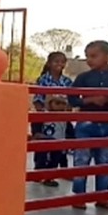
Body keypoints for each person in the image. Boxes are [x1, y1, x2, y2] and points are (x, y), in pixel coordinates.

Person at [67, 40, 108, 211]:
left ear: (107, 57)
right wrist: (90, 99)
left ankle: (102, 197)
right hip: (85, 125)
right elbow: (72, 99)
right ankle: (79, 197)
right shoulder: (83, 78)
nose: (89, 60)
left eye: (94, 56)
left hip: (107, 125)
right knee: (82, 162)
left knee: (105, 163)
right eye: (87, 56)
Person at [31, 52, 74, 184]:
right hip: (45, 117)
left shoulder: (67, 81)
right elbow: (38, 99)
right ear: (49, 63)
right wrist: (43, 115)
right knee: (43, 146)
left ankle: (57, 172)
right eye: (56, 61)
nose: (59, 64)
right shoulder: (43, 79)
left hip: (61, 118)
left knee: (61, 146)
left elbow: (71, 99)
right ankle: (39, 172)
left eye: (62, 62)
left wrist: (66, 110)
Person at [30, 94, 75, 187]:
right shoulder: (43, 115)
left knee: (56, 160)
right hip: (44, 144)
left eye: (63, 104)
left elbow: (70, 130)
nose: (60, 106)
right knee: (41, 160)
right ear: (50, 104)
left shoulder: (65, 118)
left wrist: (71, 139)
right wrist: (37, 134)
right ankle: (37, 175)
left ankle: (49, 177)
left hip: (59, 144)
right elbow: (36, 127)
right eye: (57, 103)